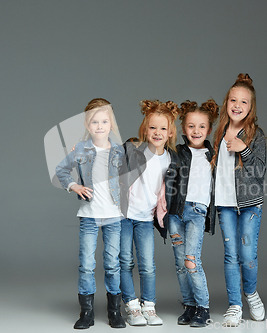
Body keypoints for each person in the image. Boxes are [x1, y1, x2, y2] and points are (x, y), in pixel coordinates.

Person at [55, 98, 126, 329]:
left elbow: (128, 180)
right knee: (86, 264)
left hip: (114, 216)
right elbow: (61, 170)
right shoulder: (82, 149)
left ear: (111, 124)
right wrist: (73, 185)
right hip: (89, 215)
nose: (100, 126)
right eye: (94, 122)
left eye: (104, 121)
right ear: (87, 125)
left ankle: (114, 311)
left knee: (112, 263)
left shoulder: (119, 151)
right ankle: (86, 312)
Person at [211, 74, 267, 327]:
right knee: (231, 255)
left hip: (249, 205)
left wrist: (243, 147)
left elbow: (260, 171)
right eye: (233, 100)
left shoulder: (255, 134)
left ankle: (251, 294)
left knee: (247, 254)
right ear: (226, 103)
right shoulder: (219, 132)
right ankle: (234, 305)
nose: (237, 105)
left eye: (243, 102)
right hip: (225, 204)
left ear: (250, 107)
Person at [119, 100, 179, 326]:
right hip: (124, 216)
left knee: (148, 265)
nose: (157, 132)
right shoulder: (134, 150)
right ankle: (132, 306)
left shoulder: (171, 159)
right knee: (125, 261)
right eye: (153, 127)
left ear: (170, 132)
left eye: (163, 128)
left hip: (145, 219)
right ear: (145, 129)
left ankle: (149, 306)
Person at [168, 99, 219, 327]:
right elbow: (153, 156)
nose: (196, 131)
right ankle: (189, 306)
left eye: (201, 126)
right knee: (180, 263)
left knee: (191, 260)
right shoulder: (176, 153)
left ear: (209, 129)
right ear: (183, 128)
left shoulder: (214, 154)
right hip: (175, 213)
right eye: (191, 126)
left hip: (197, 212)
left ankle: (203, 308)